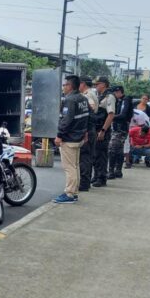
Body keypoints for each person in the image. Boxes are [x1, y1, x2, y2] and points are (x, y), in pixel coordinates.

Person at [53, 75, 89, 204]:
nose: (63, 87)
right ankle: (74, 192)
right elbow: (87, 118)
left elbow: (66, 121)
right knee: (75, 166)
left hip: (69, 138)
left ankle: (69, 193)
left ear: (71, 86)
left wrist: (59, 135)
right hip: (78, 137)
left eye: (65, 85)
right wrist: (86, 132)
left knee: (69, 167)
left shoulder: (70, 100)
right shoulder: (83, 99)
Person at [91, 76, 116, 187]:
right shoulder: (99, 96)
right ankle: (96, 175)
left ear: (104, 84)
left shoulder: (110, 96)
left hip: (102, 129)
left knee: (101, 155)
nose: (96, 86)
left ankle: (102, 178)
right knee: (96, 154)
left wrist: (103, 130)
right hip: (96, 128)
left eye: (98, 84)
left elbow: (111, 115)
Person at [107, 85, 132, 180]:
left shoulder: (125, 100)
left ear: (118, 92)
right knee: (118, 150)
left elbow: (123, 115)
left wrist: (111, 117)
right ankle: (118, 171)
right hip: (117, 128)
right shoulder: (119, 101)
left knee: (112, 149)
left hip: (121, 128)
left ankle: (112, 171)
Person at [78, 76, 98, 192]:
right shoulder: (90, 93)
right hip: (90, 129)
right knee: (87, 157)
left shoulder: (88, 95)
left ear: (83, 84)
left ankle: (84, 183)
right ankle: (86, 181)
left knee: (84, 157)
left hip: (87, 129)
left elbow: (89, 111)